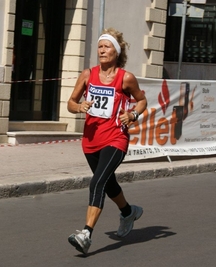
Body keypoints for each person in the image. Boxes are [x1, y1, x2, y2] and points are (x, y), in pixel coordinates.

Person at [67, 27, 147, 255]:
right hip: (90, 140)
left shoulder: (126, 78)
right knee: (108, 183)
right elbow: (71, 103)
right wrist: (79, 106)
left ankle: (85, 234)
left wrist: (133, 114)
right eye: (99, 47)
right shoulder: (87, 75)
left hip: (116, 138)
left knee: (97, 183)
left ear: (117, 51)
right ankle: (128, 212)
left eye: (107, 46)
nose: (101, 50)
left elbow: (142, 101)